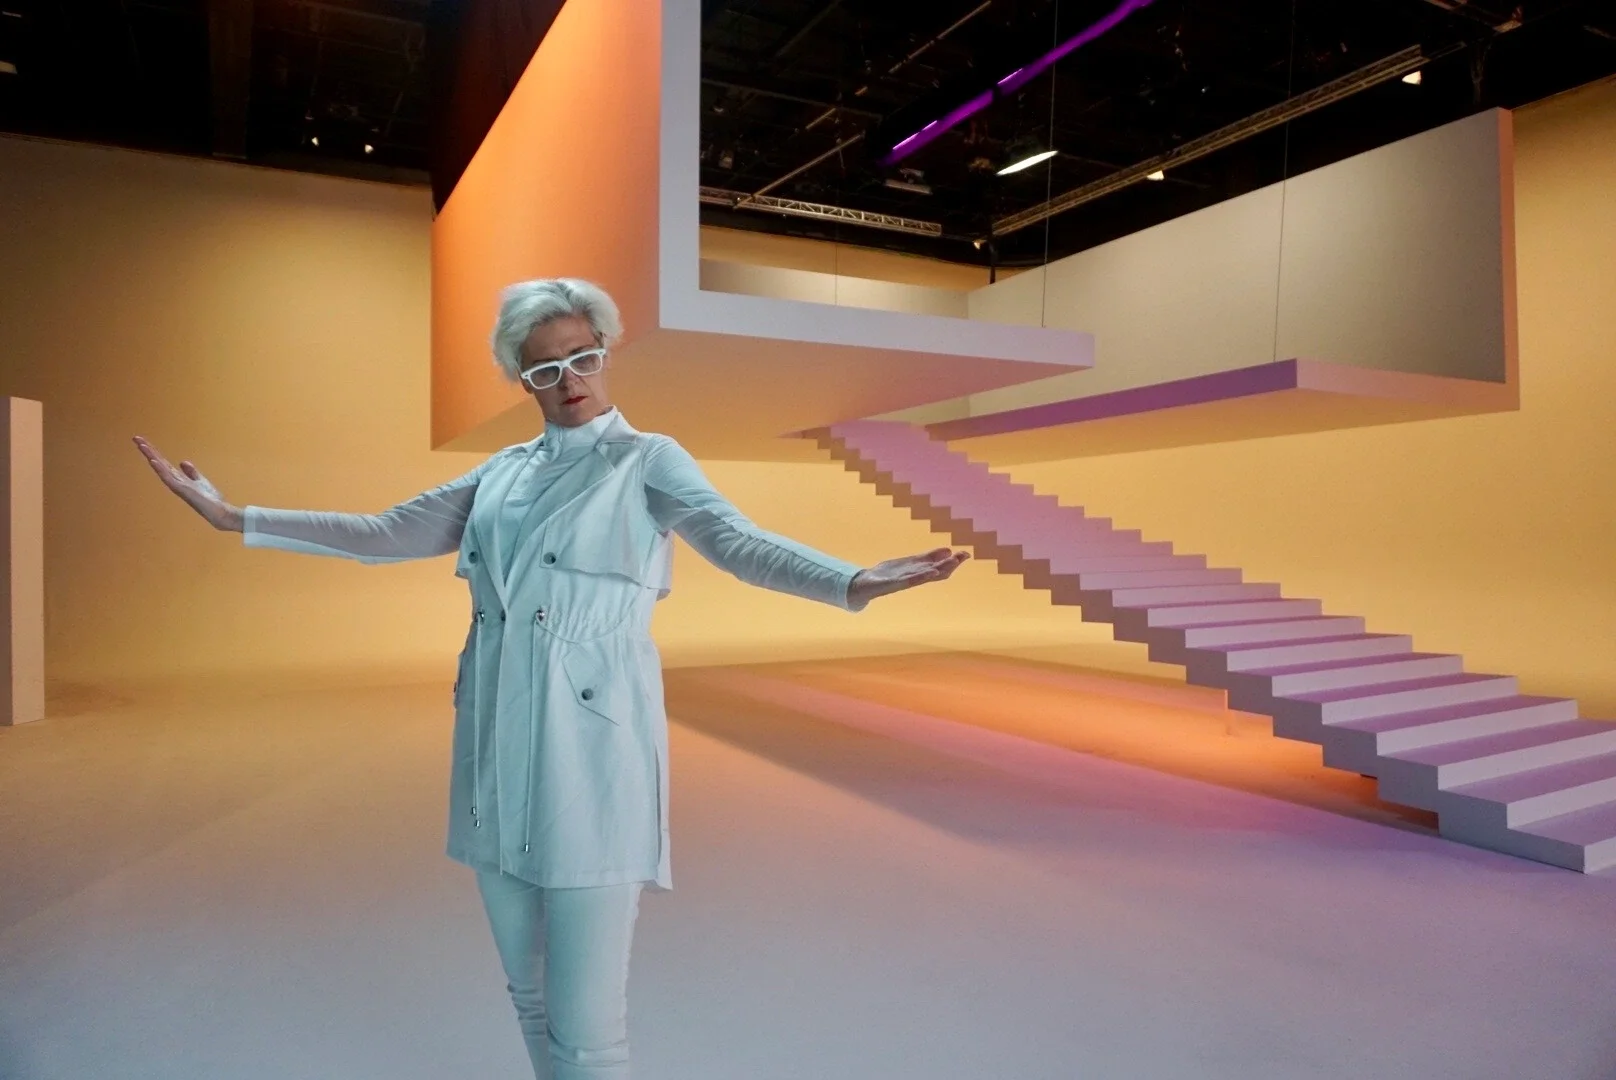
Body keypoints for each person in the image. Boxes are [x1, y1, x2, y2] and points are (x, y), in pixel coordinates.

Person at [132, 277, 969, 1080]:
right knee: (528, 997)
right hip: (494, 756)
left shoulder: (647, 461)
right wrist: (234, 516)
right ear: (519, 378)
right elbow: (383, 532)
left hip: (591, 762)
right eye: (543, 368)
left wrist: (850, 580)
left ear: (604, 352)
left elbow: (734, 538)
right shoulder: (499, 473)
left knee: (589, 1032)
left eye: (582, 357)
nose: (569, 380)